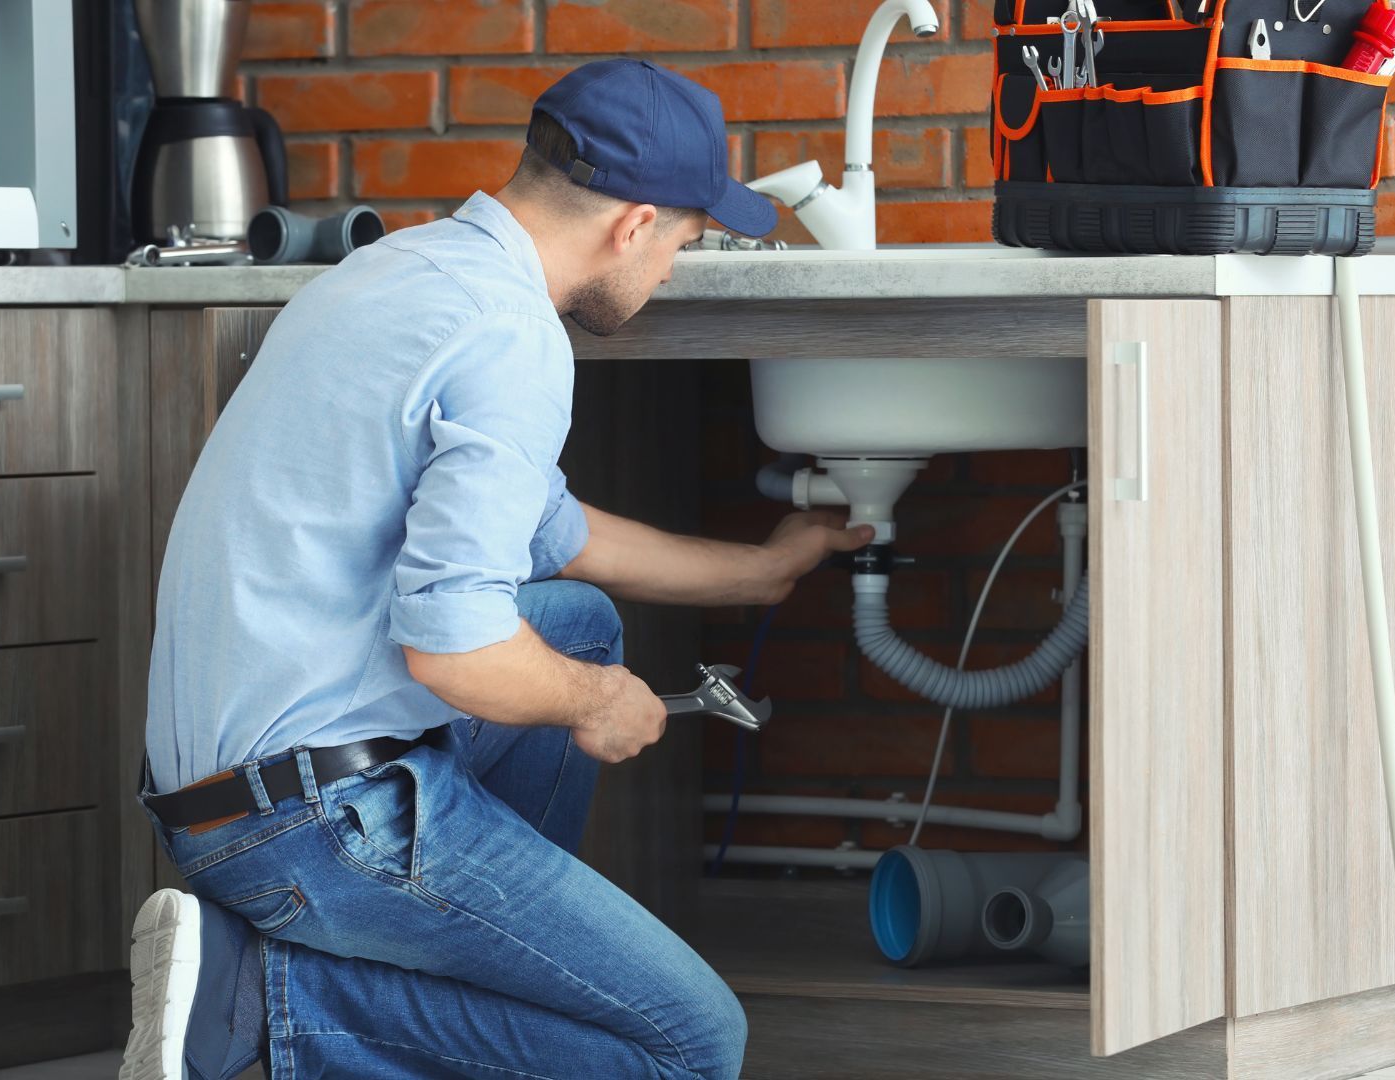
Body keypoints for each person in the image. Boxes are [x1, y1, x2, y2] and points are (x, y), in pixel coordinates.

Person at [120, 58, 874, 1080]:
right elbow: (456, 649)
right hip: (307, 825)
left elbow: (553, 535)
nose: (668, 278)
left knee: (574, 619)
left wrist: (761, 572)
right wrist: (596, 701)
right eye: (682, 248)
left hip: (217, 791)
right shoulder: (515, 337)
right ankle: (260, 993)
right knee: (694, 1045)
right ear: (633, 224)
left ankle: (472, 964)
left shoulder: (405, 269)